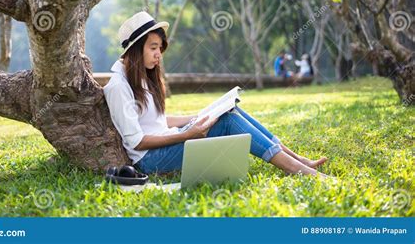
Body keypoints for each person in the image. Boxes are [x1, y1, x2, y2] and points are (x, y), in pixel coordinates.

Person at [104, 11, 328, 177]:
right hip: (151, 160)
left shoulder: (141, 76)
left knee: (229, 109)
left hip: (165, 142)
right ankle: (297, 169)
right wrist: (187, 134)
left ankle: (297, 158)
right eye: (153, 48)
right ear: (135, 49)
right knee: (228, 122)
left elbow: (156, 121)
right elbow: (137, 141)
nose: (158, 55)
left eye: (160, 48)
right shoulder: (118, 86)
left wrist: (198, 117)